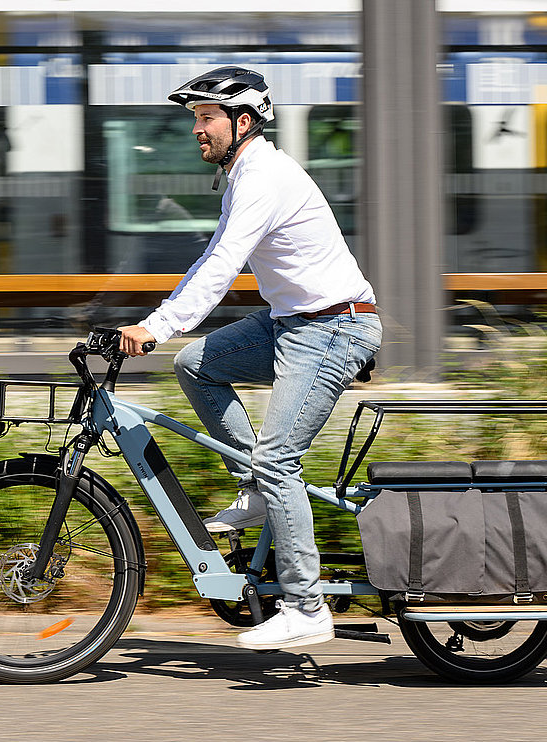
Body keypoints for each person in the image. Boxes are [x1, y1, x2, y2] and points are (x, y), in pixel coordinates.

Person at [118, 66, 382, 650]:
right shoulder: (243, 174)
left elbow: (221, 265)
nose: (197, 130)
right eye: (194, 119)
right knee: (196, 365)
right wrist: (159, 323)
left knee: (279, 457)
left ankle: (306, 606)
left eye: (206, 118)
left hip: (334, 329)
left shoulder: (263, 176)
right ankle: (258, 491)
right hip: (294, 322)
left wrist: (155, 326)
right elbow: (211, 256)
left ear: (243, 122)